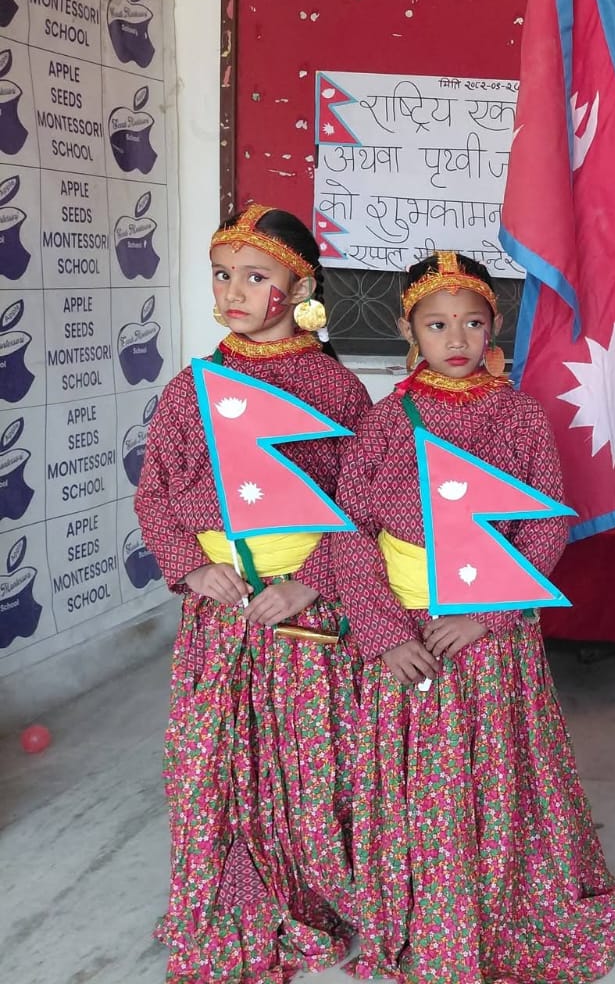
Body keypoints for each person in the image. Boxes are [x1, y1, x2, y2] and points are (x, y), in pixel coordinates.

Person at [332, 251, 615, 984]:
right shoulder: (382, 422)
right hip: (408, 634)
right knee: (417, 785)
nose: (455, 338)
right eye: (436, 325)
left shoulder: (521, 415)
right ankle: (424, 910)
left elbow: (546, 528)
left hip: (488, 637)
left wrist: (487, 616)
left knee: (499, 773)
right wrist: (385, 632)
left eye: (471, 322)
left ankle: (500, 901)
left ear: (494, 327)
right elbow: (349, 534)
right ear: (409, 329)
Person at [134, 204, 372, 981]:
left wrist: (310, 584)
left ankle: (308, 893)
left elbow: (367, 503)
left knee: (307, 768)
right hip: (221, 614)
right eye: (222, 275)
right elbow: (156, 493)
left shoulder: (337, 393)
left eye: (256, 276)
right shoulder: (192, 388)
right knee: (206, 763)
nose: (233, 291)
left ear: (299, 285)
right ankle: (222, 893)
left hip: (301, 619)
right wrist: (193, 567)